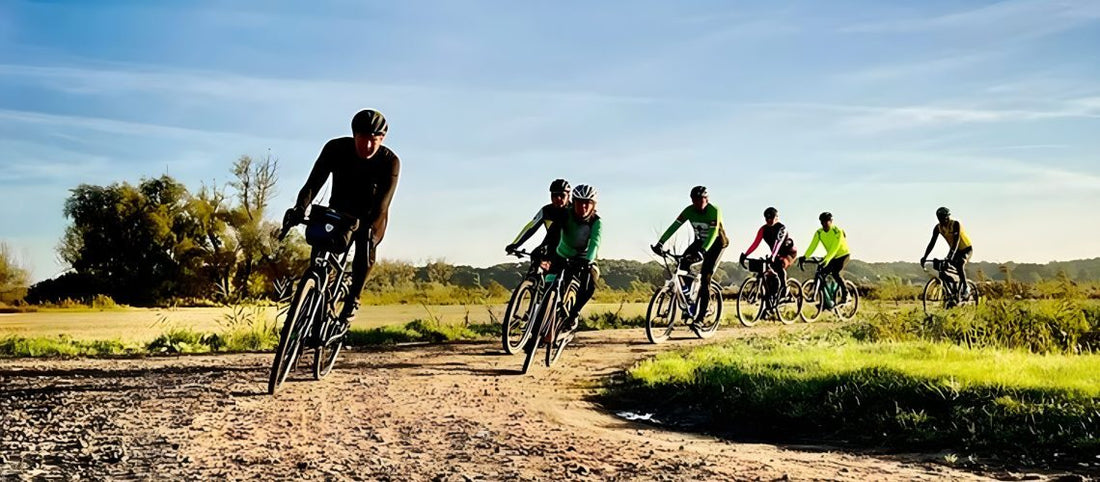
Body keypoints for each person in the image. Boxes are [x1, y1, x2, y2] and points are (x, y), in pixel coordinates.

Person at [284, 109, 400, 325]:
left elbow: (383, 204)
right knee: (320, 256)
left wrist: (370, 229)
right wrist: (300, 208)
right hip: (339, 211)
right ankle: (318, 302)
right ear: (354, 135)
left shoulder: (389, 161)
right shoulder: (335, 149)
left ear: (382, 139)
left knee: (365, 247)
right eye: (363, 139)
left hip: (371, 217)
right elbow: (313, 184)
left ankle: (353, 298)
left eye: (373, 141)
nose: (367, 146)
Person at [651, 185, 728, 322]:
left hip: (716, 243)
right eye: (694, 200)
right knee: (683, 264)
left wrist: (703, 251)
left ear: (707, 199)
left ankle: (701, 317)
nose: (697, 203)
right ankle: (689, 302)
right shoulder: (689, 211)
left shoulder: (714, 211)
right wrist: (660, 243)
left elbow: (713, 233)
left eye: (701, 200)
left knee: (705, 278)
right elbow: (674, 226)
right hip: (699, 242)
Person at [555, 184, 602, 333]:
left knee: (591, 283)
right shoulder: (565, 214)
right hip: (562, 255)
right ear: (573, 202)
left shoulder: (596, 222)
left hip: (583, 258)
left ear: (593, 205)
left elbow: (595, 243)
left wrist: (588, 261)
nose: (583, 207)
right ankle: (540, 319)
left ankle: (573, 314)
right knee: (549, 286)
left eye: (587, 203)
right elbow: (553, 233)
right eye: (579, 203)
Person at [505, 179, 571, 269]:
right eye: (554, 195)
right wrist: (515, 244)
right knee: (535, 255)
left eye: (562, 195)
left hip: (570, 245)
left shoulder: (574, 210)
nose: (558, 198)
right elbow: (531, 227)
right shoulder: (546, 210)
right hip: (551, 244)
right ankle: (533, 280)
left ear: (568, 196)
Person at [740, 207, 797, 298]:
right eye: (767, 218)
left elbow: (777, 244)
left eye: (771, 218)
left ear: (777, 217)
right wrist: (745, 255)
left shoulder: (782, 228)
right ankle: (771, 297)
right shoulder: (763, 229)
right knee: (768, 272)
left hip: (788, 253)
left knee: (780, 265)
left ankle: (785, 287)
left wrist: (773, 256)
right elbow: (755, 244)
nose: (769, 220)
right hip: (776, 254)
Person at [921, 207, 973, 298]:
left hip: (966, 249)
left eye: (947, 217)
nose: (946, 220)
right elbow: (932, 243)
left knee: (960, 264)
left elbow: (956, 242)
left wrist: (949, 257)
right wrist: (925, 257)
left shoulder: (956, 224)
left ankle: (965, 287)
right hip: (954, 251)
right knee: (944, 268)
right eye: (943, 218)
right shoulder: (938, 228)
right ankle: (951, 293)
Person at [799, 212, 851, 301]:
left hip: (843, 255)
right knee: (821, 274)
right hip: (832, 257)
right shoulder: (819, 232)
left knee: (835, 273)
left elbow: (835, 247)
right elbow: (813, 245)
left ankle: (846, 294)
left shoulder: (838, 231)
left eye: (826, 222)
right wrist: (805, 256)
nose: (824, 224)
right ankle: (825, 301)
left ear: (831, 221)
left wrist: (826, 260)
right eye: (822, 222)